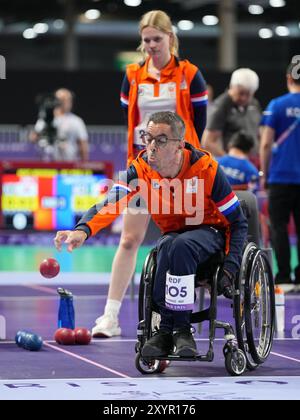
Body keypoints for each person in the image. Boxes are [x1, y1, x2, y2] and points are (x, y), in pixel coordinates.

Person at [54, 111, 248, 356]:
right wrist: (82, 230)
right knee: (166, 247)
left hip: (211, 233)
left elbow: (238, 223)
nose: (151, 146)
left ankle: (179, 330)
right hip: (174, 238)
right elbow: (111, 201)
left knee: (178, 245)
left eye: (161, 140)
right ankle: (167, 332)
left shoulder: (206, 168)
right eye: (148, 137)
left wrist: (231, 266)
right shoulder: (141, 168)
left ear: (178, 145)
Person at [92, 10, 208, 337]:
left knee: (189, 241)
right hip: (142, 170)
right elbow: (129, 120)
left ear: (170, 38)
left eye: (157, 39)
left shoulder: (190, 75)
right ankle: (110, 318)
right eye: (146, 40)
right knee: (129, 239)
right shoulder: (131, 75)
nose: (152, 45)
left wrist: (179, 157)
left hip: (183, 171)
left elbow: (198, 124)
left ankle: (185, 316)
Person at [260, 60, 300, 286]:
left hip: (281, 178)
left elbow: (266, 144)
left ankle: (284, 277)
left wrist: (265, 173)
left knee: (279, 227)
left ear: (288, 78)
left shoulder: (276, 105)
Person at [202, 68, 261, 158]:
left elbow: (260, 133)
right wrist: (230, 162)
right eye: (241, 93)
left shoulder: (254, 104)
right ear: (231, 86)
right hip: (230, 166)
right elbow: (208, 142)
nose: (244, 98)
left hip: (252, 163)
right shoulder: (221, 106)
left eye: (248, 94)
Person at [31, 88, 89, 161]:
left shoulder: (76, 121)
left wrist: (85, 164)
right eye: (62, 99)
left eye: (68, 100)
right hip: (48, 164)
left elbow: (83, 144)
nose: (66, 102)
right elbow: (34, 137)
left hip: (68, 164)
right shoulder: (46, 119)